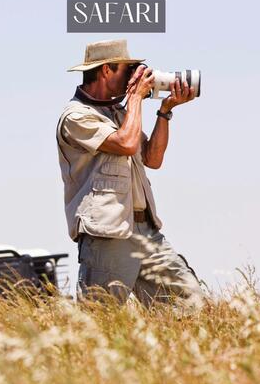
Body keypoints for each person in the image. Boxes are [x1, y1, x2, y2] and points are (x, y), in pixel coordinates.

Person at [56, 39, 204, 311]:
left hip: (145, 229)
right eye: (129, 69)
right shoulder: (76, 117)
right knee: (100, 317)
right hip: (108, 232)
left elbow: (153, 159)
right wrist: (136, 97)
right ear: (106, 71)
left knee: (189, 301)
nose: (133, 76)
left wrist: (165, 110)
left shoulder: (120, 113)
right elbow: (125, 143)